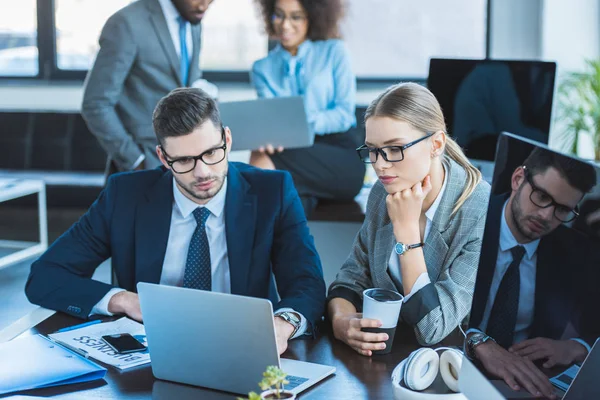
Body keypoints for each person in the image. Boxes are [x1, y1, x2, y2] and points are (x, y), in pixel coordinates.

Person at [26, 88, 326, 355]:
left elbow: (307, 282)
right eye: (184, 160)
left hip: (241, 346)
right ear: (162, 157)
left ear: (228, 139)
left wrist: (281, 324)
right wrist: (122, 300)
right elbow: (45, 276)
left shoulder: (272, 191)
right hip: (152, 352)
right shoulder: (124, 195)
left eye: (211, 152)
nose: (202, 172)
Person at [327, 82, 491, 354]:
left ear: (436, 144)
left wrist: (406, 233)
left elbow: (433, 329)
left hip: (446, 366)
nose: (380, 164)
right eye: (373, 150)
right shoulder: (383, 191)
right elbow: (350, 279)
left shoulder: (478, 209)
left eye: (394, 149)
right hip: (385, 358)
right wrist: (341, 321)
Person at [466, 147, 597, 399]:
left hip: (525, 385)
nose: (546, 215)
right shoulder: (470, 218)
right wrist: (477, 341)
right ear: (517, 179)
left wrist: (575, 347)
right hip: (453, 366)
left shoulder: (575, 250)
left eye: (562, 209)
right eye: (541, 196)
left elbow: (595, 326)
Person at [250, 0, 365, 215]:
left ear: (312, 17)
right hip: (292, 151)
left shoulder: (334, 51)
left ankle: (255, 246)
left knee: (260, 161)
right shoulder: (261, 69)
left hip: (339, 151)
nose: (285, 25)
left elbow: (343, 114)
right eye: (279, 15)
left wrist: (300, 124)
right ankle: (284, 246)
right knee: (288, 196)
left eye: (296, 16)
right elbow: (272, 120)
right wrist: (270, 136)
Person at [82, 0, 213, 173]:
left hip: (186, 167)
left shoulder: (193, 20)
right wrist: (136, 161)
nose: (204, 5)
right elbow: (96, 104)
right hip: (144, 166)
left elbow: (189, 85)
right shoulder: (127, 23)